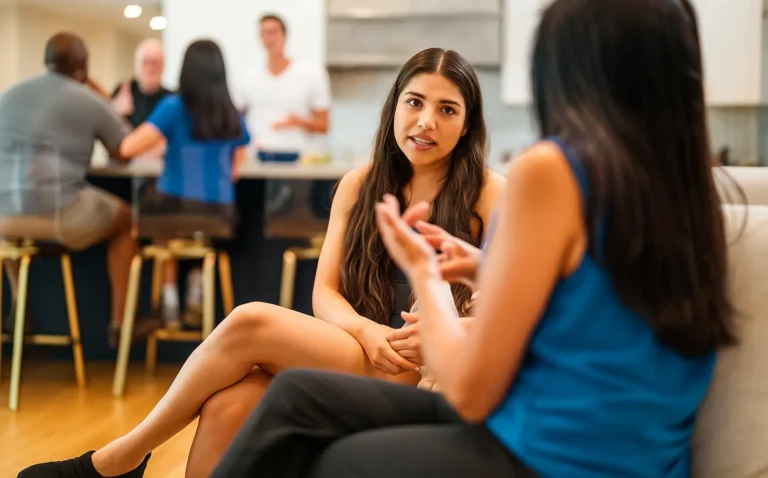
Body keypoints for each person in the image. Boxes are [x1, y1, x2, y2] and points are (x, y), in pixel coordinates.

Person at [206, 0, 740, 477]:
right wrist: (489, 270)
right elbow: (598, 312)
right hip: (638, 458)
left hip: (546, 453)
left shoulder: (550, 170)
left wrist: (425, 274)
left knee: (336, 458)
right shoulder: (690, 190)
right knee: (297, 395)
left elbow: (470, 390)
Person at [19, 47, 506, 478]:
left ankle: (118, 460)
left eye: (447, 109)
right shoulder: (359, 185)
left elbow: (513, 310)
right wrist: (365, 331)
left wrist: (452, 330)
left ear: (467, 124)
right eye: (415, 102)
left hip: (425, 370)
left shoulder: (491, 193)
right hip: (360, 348)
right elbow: (325, 294)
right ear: (395, 105)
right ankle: (121, 462)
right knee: (230, 401)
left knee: (250, 321)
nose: (426, 121)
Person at [0, 33, 153, 347]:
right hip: (59, 213)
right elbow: (124, 150)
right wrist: (97, 92)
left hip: (4, 217)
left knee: (13, 228)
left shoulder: (10, 95)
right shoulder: (87, 99)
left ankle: (20, 305)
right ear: (83, 66)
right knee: (127, 219)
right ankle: (121, 325)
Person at [121, 39, 251, 328]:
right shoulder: (230, 111)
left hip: (174, 208)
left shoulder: (174, 107)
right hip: (219, 213)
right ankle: (196, 290)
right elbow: (239, 158)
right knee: (200, 237)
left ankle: (168, 301)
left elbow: (129, 147)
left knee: (162, 229)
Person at [238, 13, 331, 160]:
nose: (269, 38)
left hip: (299, 160)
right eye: (264, 33)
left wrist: (298, 122)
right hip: (256, 159)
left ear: (285, 36)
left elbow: (324, 125)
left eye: (273, 32)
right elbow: (237, 122)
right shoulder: (246, 77)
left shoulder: (312, 74)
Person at [111, 38, 172, 130]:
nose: (150, 68)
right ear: (136, 65)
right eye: (145, 62)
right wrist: (115, 113)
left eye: (155, 63)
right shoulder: (123, 92)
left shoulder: (171, 99)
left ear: (163, 66)